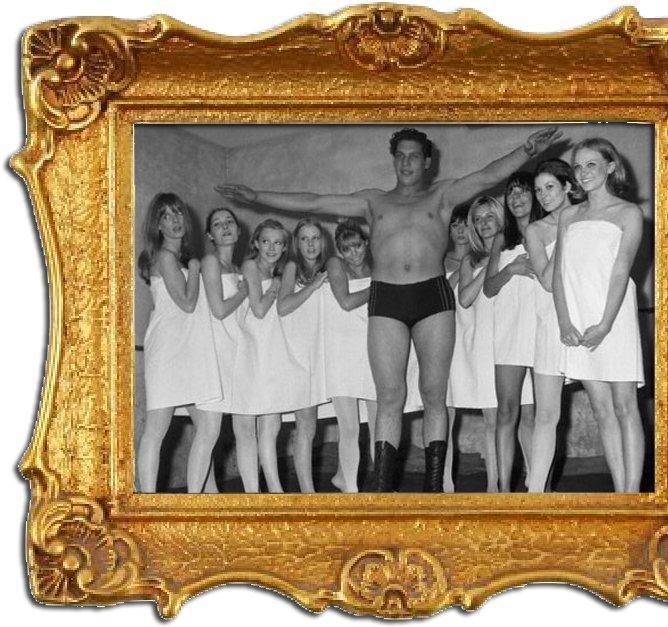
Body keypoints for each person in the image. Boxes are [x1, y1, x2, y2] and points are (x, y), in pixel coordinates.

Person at [216, 125, 560, 492]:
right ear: (394, 161)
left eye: (414, 155)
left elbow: (489, 175)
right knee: (389, 397)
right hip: (387, 298)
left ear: (426, 162)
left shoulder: (443, 195)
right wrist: (257, 197)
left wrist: (526, 150)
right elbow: (314, 201)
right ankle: (382, 489)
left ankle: (433, 489)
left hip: (432, 297)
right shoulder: (373, 202)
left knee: (433, 395)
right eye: (401, 156)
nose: (407, 162)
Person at [553, 138, 645, 492]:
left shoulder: (628, 213)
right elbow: (559, 275)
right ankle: (619, 491)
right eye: (578, 166)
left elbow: (621, 271)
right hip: (577, 320)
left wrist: (605, 324)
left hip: (614, 317)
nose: (583, 172)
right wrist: (564, 321)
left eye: (591, 164)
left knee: (625, 406)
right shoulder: (568, 215)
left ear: (610, 166)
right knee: (601, 408)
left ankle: (632, 495)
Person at [136, 193, 222, 493]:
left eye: (178, 213)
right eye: (166, 216)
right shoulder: (164, 256)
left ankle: (202, 497)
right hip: (168, 350)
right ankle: (147, 503)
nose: (174, 220)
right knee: (156, 429)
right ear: (157, 225)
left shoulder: (178, 259)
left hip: (192, 350)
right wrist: (196, 269)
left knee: (209, 426)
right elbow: (186, 302)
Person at [524, 159, 582, 493]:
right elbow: (547, 281)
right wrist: (564, 232)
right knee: (546, 415)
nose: (543, 195)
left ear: (568, 186)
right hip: (550, 324)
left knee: (610, 407)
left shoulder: (588, 217)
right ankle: (534, 495)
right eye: (538, 190)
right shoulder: (536, 230)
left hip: (586, 320)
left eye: (550, 187)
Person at [483, 172, 541, 491]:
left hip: (541, 325)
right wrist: (511, 269)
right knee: (507, 411)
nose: (517, 198)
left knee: (541, 413)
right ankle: (504, 491)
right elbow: (489, 288)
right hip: (509, 330)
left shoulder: (546, 230)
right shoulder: (500, 240)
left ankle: (540, 487)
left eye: (523, 191)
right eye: (511, 192)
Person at [230, 219, 293, 493]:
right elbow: (258, 309)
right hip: (248, 350)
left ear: (285, 247)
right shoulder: (250, 266)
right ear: (256, 242)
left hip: (271, 349)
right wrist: (276, 286)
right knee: (245, 425)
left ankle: (275, 492)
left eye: (278, 243)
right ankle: (252, 495)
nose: (271, 248)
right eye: (266, 241)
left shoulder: (281, 272)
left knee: (272, 424)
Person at [198, 208, 257, 491]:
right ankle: (191, 503)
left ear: (239, 229)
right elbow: (219, 310)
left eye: (230, 222)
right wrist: (244, 292)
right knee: (209, 432)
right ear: (210, 235)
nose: (225, 227)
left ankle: (254, 498)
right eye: (217, 224)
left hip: (239, 353)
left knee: (246, 429)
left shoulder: (240, 269)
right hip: (214, 354)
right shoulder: (210, 262)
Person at [451, 196, 502, 492]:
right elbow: (465, 298)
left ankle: (535, 484)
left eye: (489, 217)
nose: (483, 224)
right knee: (492, 417)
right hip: (484, 342)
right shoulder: (470, 259)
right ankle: (493, 486)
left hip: (511, 336)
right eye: (478, 219)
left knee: (526, 416)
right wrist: (491, 264)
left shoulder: (514, 250)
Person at [323, 220, 377, 492]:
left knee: (380, 426)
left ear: (366, 243)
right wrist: (380, 286)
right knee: (350, 428)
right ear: (340, 251)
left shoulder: (377, 268)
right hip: (341, 353)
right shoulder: (335, 265)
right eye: (346, 248)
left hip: (372, 350)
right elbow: (345, 302)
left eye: (357, 245)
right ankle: (351, 491)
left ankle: (379, 486)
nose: (353, 253)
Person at [277, 219, 329, 493]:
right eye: (305, 238)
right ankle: (308, 494)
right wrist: (313, 286)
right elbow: (283, 307)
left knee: (311, 427)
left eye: (315, 238)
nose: (310, 244)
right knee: (305, 426)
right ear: (296, 243)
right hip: (296, 355)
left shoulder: (328, 269)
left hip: (319, 353)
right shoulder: (292, 268)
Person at [442, 204, 472, 492]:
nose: (461, 230)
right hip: (449, 337)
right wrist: (459, 273)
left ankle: (496, 484)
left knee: (493, 410)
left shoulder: (484, 255)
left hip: (478, 336)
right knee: (446, 412)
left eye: (465, 223)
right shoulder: (439, 261)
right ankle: (445, 480)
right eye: (455, 224)